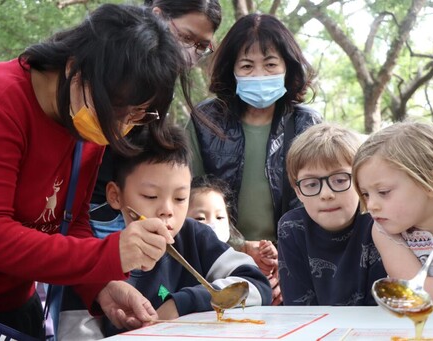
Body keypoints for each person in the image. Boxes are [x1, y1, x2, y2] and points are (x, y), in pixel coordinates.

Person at [0, 4, 190, 338]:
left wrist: (102, 285)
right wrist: (109, 253)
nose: (120, 127)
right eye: (117, 110)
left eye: (138, 115)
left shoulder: (89, 115)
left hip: (17, 302)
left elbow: (71, 222)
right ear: (75, 67)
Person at [102, 125, 272, 335]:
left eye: (180, 198)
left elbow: (257, 284)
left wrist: (181, 304)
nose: (167, 211)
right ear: (115, 196)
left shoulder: (194, 237)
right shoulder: (98, 255)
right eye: (150, 196)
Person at [90, 0, 222, 239]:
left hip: (124, 209)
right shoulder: (118, 63)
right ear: (157, 16)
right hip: (90, 202)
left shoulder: (165, 83)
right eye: (186, 37)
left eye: (201, 46)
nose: (192, 51)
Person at [186, 13, 322, 245]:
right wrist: (240, 248)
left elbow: (319, 202)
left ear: (287, 67)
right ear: (232, 70)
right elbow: (190, 195)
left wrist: (287, 256)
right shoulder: (205, 120)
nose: (259, 75)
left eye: (270, 64)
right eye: (247, 66)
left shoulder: (307, 125)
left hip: (291, 256)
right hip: (220, 255)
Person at [278, 122, 386, 306]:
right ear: (298, 191)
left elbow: (381, 307)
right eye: (311, 184)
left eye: (340, 180)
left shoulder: (379, 222)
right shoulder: (292, 228)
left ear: (361, 181)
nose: (326, 194)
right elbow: (298, 308)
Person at [352, 121, 433, 309]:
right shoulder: (384, 231)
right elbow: (414, 293)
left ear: (432, 183)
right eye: (366, 194)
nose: (371, 205)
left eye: (383, 192)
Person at [188, 174, 282, 305]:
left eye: (220, 217)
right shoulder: (181, 256)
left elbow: (258, 284)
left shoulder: (238, 256)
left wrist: (267, 262)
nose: (212, 225)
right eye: (200, 218)